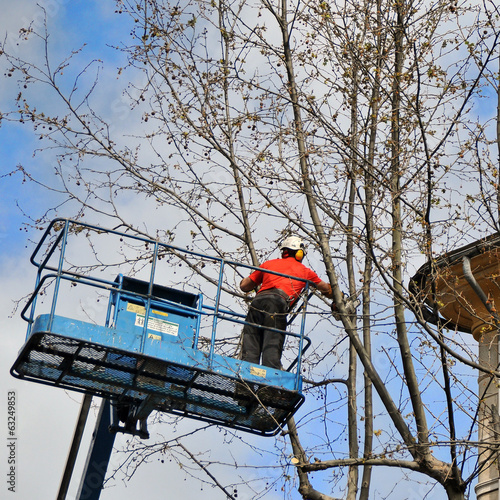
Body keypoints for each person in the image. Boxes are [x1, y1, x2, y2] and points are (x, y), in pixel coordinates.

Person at [239, 236, 333, 369]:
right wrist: (337, 296)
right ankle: (268, 387)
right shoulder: (305, 271)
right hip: (277, 304)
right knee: (272, 344)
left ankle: (243, 385)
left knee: (250, 343)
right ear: (299, 253)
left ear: (284, 251)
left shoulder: (269, 264)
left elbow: (244, 286)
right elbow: (325, 288)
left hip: (257, 303)